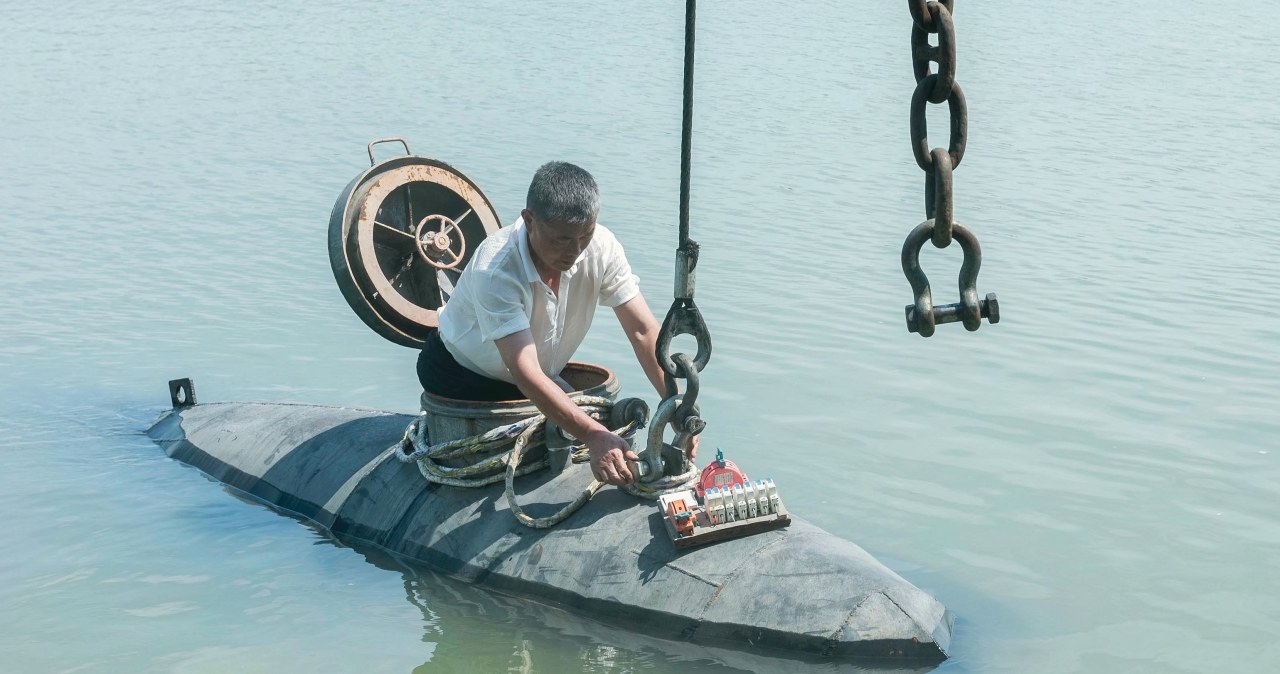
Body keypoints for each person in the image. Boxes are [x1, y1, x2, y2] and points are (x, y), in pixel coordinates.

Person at [417, 161, 694, 486]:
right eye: (562, 240)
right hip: (463, 376)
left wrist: (676, 405)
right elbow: (526, 372)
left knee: (584, 427)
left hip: (542, 375)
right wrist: (592, 434)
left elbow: (643, 331)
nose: (575, 251)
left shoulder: (602, 247)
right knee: (582, 432)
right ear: (529, 220)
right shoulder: (496, 270)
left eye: (584, 236)